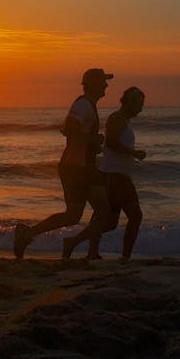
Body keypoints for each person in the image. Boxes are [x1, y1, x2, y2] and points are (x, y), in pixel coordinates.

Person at [13, 68, 113, 259]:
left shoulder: (88, 105)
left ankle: (91, 251)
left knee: (100, 209)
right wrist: (91, 141)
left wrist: (92, 145)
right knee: (75, 215)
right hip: (75, 167)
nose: (106, 85)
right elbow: (69, 128)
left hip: (84, 167)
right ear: (93, 84)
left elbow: (73, 132)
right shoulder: (83, 104)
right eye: (103, 82)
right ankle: (27, 234)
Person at [61, 86, 146, 263]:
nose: (141, 108)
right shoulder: (117, 119)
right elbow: (111, 143)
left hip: (115, 175)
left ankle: (75, 244)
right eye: (138, 104)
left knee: (108, 223)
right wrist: (134, 153)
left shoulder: (123, 120)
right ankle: (125, 257)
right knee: (135, 216)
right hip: (116, 177)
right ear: (128, 102)